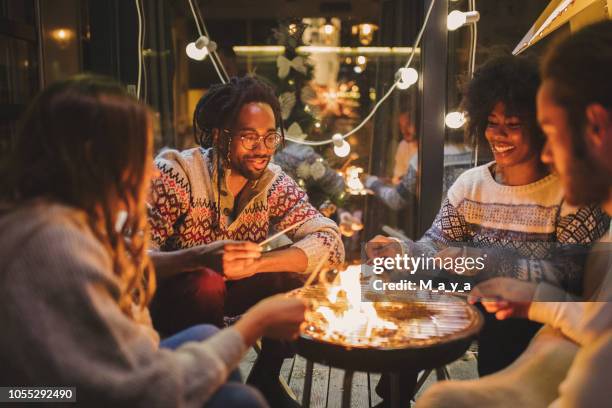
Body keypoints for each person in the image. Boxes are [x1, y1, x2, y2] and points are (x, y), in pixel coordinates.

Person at [0, 75, 308, 407]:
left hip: (88, 376)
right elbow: (139, 389)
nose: (152, 172)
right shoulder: (58, 245)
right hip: (47, 397)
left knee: (206, 339)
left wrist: (224, 259)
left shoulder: (58, 217)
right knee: (241, 400)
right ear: (94, 159)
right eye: (141, 155)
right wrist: (256, 322)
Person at [367, 56, 609, 405]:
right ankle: (394, 396)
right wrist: (401, 251)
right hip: (473, 293)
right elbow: (437, 243)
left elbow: (569, 276)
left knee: (501, 323)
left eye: (513, 124)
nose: (499, 135)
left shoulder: (569, 189)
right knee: (404, 288)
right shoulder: (472, 183)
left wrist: (490, 262)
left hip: (531, 312)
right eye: (492, 123)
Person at [147, 75, 344, 404]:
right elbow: (133, 259)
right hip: (175, 302)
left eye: (270, 138)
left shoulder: (272, 182)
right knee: (207, 282)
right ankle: (212, 386)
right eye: (249, 137)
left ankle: (265, 378)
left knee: (292, 276)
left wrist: (259, 264)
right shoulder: (177, 173)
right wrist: (200, 258)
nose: (262, 149)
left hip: (231, 295)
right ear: (219, 136)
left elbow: (330, 241)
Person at [392, 111, 418, 184]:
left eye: (408, 125)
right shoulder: (403, 145)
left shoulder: (433, 146)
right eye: (401, 126)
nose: (404, 130)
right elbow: (397, 178)